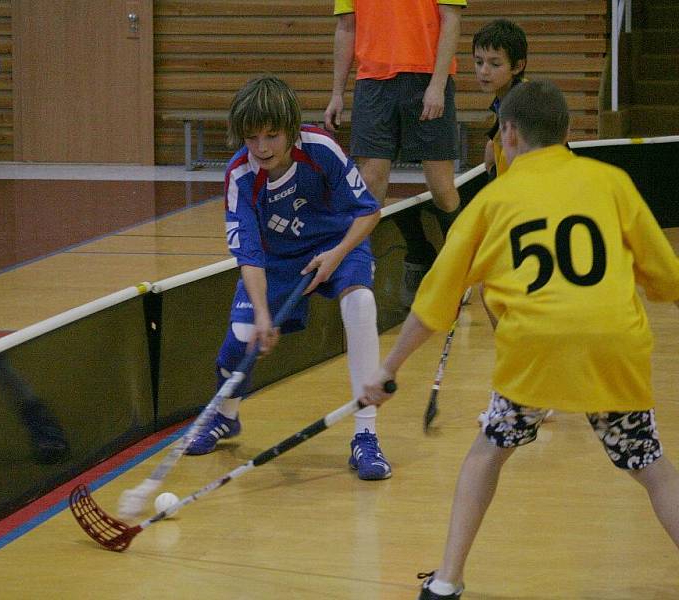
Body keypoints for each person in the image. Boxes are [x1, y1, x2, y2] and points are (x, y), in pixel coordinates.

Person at [362, 80, 679, 599]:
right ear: (568, 132)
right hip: (613, 344)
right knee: (653, 468)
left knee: (488, 451)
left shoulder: (493, 200)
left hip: (534, 348)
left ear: (507, 134)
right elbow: (668, 278)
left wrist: (388, 368)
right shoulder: (612, 182)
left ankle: (446, 582)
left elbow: (435, 303)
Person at [185, 75, 392, 480]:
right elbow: (249, 255)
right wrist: (263, 313)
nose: (261, 148)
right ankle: (226, 415)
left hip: (338, 243)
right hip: (278, 262)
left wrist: (335, 256)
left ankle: (366, 437)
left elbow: (368, 212)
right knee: (243, 337)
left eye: (272, 136)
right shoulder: (240, 178)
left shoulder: (321, 151)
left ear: (292, 130)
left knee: (361, 304)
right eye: (252, 138)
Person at [324, 0, 466, 294]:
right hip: (373, 82)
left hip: (427, 76)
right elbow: (346, 27)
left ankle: (461, 268)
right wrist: (337, 93)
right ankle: (362, 270)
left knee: (441, 187)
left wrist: (438, 85)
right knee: (370, 181)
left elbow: (451, 19)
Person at [473, 18, 528, 179]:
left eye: (495, 64)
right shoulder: (504, 100)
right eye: (478, 62)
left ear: (518, 66)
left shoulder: (526, 106)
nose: (483, 71)